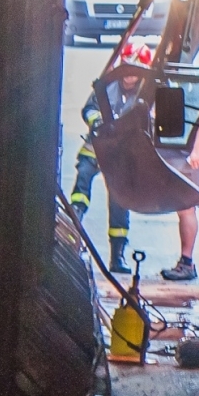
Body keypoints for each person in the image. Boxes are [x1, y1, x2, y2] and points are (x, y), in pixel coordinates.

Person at [70, 83, 135, 274]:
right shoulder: (108, 86)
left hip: (122, 152)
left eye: (134, 74)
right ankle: (74, 223)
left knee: (119, 200)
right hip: (97, 145)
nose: (129, 79)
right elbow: (89, 109)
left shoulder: (146, 89)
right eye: (127, 73)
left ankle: (117, 257)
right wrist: (98, 121)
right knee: (84, 174)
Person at [161, 120, 199, 281]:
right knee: (185, 208)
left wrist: (198, 150)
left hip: (189, 154)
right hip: (176, 150)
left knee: (186, 207)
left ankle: (187, 263)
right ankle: (186, 262)